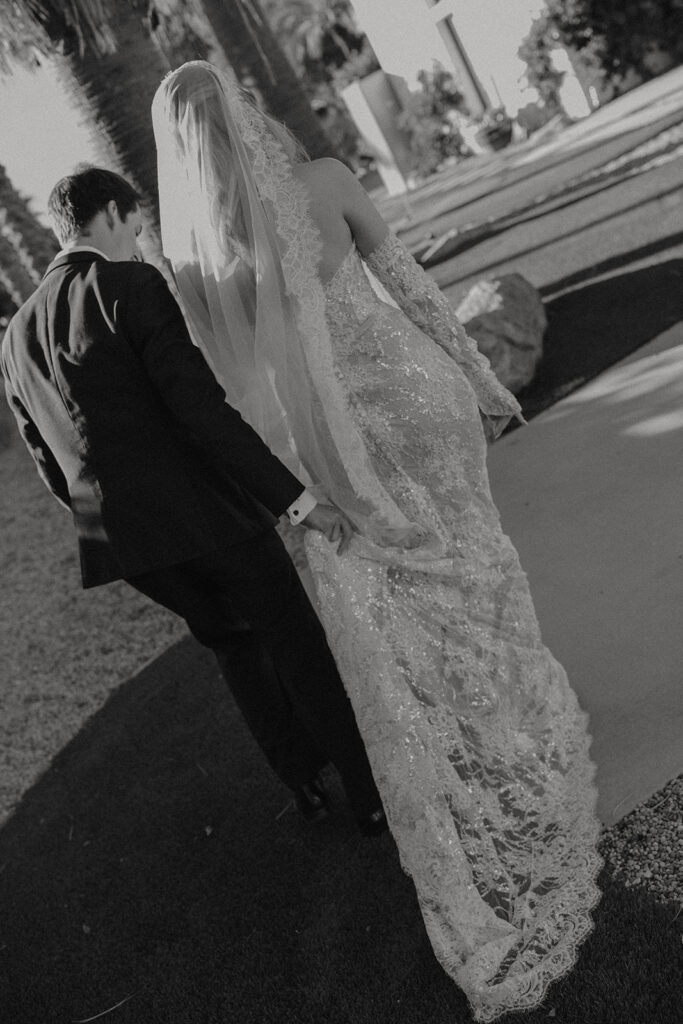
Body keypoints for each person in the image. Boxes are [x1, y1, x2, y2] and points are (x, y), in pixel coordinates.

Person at [151, 62, 603, 1021]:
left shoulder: (191, 264)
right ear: (245, 115)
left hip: (337, 453)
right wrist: (482, 377)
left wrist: (301, 493)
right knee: (480, 568)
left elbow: (239, 401)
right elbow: (413, 289)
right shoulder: (322, 182)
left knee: (416, 606)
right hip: (418, 402)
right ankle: (527, 723)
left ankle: (487, 740)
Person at [0, 165, 388, 836]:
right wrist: (296, 501)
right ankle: (369, 793)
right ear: (115, 217)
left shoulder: (13, 339)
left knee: (234, 649)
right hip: (211, 520)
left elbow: (49, 465)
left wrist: (114, 528)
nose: (141, 239)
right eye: (137, 225)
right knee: (295, 645)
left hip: (131, 546)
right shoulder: (128, 284)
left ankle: (303, 784)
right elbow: (201, 411)